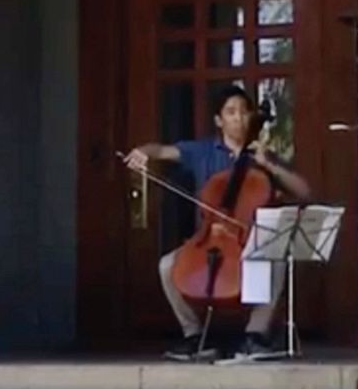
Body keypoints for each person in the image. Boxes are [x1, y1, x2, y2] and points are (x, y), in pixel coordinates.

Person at [124, 84, 311, 362]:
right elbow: (161, 151)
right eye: (231, 112)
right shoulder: (200, 151)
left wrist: (268, 165)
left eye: (244, 112)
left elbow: (303, 191)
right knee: (167, 266)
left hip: (248, 240)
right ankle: (195, 336)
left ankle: (255, 335)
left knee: (277, 259)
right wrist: (143, 151)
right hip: (208, 238)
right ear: (218, 120)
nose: (239, 118)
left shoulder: (261, 155)